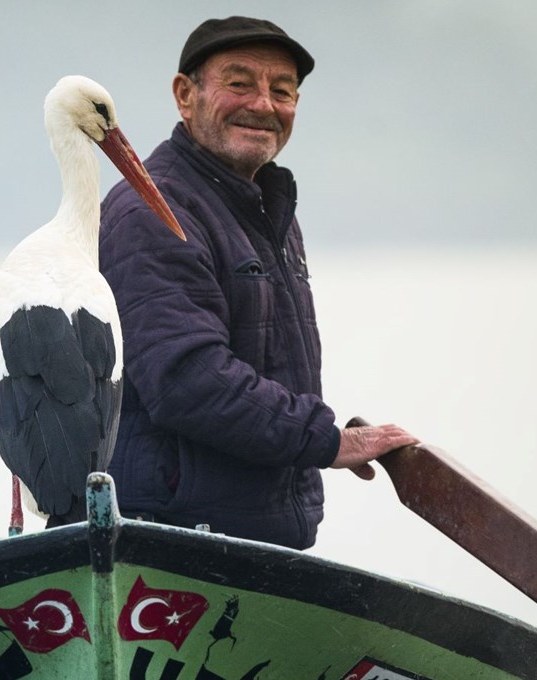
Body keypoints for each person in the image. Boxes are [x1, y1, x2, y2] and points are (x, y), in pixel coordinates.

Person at [98, 16, 418, 550]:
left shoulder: (269, 210)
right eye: (239, 83)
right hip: (165, 545)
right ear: (185, 95)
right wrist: (325, 440)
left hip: (248, 542)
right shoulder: (154, 209)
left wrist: (320, 441)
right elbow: (187, 378)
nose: (264, 105)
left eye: (282, 90)